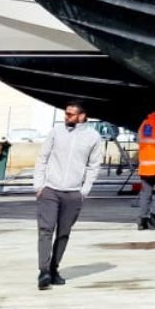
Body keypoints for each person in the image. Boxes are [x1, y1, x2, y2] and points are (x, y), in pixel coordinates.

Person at [35, 101, 104, 290]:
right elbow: (42, 157)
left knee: (63, 233)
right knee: (46, 229)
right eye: (66, 114)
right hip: (50, 190)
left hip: (73, 193)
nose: (67, 117)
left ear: (82, 116)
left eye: (71, 115)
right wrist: (39, 185)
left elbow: (94, 166)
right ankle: (43, 271)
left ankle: (54, 268)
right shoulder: (56, 132)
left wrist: (84, 190)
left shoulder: (93, 137)